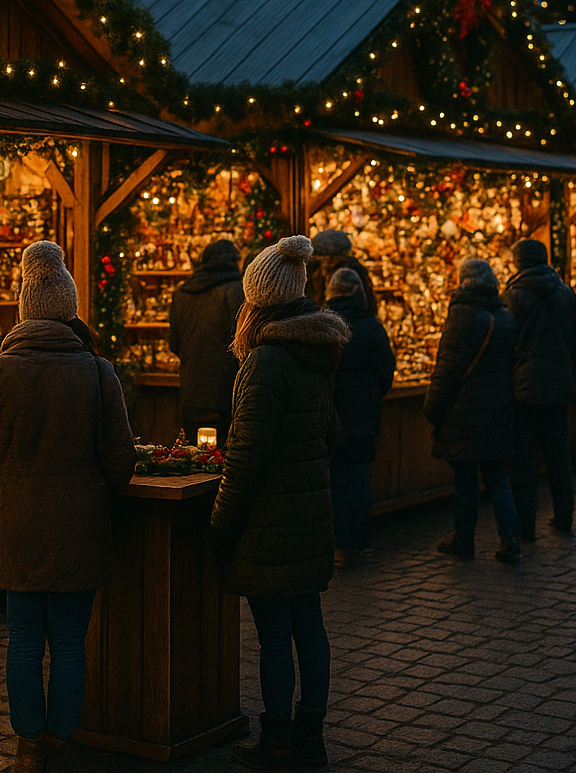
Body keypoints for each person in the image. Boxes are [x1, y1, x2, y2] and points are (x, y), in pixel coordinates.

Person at [0, 242, 136, 773]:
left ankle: (29, 747)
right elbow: (121, 457)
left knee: (21, 641)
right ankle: (61, 742)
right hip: (79, 528)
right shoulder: (97, 372)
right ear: (69, 307)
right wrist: (96, 492)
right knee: (68, 642)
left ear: (24, 308)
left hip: (17, 528)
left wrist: (6, 494)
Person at [209, 235, 348, 769]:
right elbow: (329, 432)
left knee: (274, 637)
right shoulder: (316, 349)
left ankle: (277, 740)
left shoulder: (266, 359)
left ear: (258, 298)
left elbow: (246, 457)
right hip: (309, 514)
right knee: (309, 628)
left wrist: (219, 528)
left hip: (268, 522)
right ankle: (310, 735)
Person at [425, 258, 521, 565]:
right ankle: (509, 537)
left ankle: (464, 539)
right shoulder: (503, 315)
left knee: (465, 480)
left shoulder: (462, 315)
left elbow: (448, 368)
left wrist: (432, 406)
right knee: (497, 476)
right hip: (497, 409)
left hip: (463, 411)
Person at [502, 239, 576, 540]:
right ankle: (564, 515)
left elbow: (508, 340)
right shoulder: (565, 293)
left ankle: (525, 525)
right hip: (558, 384)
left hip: (525, 387)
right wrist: (569, 368)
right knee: (559, 455)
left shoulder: (514, 295)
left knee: (525, 461)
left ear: (518, 262)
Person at [325, 266, 396, 569]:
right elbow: (386, 370)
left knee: (337, 479)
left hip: (333, 413)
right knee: (360, 476)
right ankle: (358, 539)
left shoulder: (324, 324)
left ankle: (339, 544)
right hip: (365, 414)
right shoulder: (372, 327)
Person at [167, 239, 244, 439]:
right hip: (227, 394)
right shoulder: (236, 291)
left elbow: (174, 344)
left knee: (194, 452)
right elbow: (245, 343)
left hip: (191, 393)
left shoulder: (181, 294)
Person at [309, 228, 377, 315]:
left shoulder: (345, 274)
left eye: (319, 257)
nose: (318, 261)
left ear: (330, 256)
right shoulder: (353, 268)